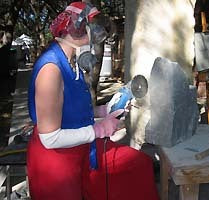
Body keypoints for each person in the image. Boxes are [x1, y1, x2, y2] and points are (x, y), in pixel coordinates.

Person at [27, 2, 159, 200]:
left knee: (139, 163)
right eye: (94, 31)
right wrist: (99, 129)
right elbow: (50, 138)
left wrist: (104, 110)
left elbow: (71, 108)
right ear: (78, 29)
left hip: (81, 148)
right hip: (56, 163)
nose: (96, 39)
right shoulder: (51, 71)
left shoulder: (73, 63)